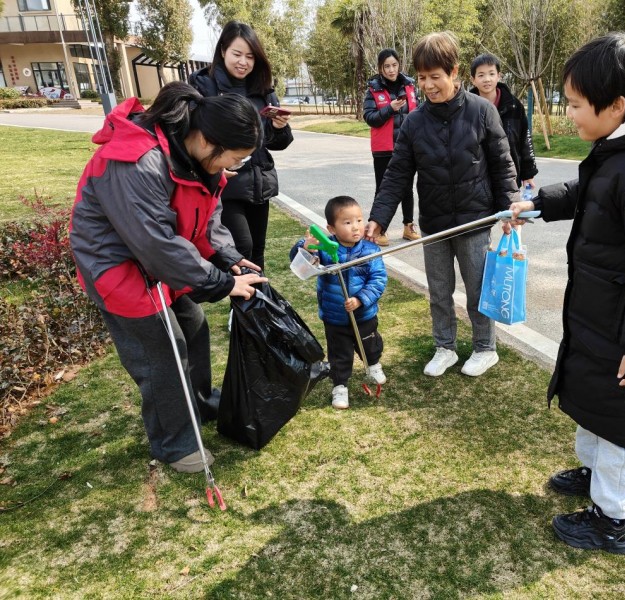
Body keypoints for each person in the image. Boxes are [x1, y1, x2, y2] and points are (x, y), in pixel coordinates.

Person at [510, 33, 625, 554]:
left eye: (573, 104)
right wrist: (540, 203)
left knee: (619, 426)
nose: (568, 114)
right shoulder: (620, 154)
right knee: (596, 404)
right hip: (602, 320)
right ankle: (594, 475)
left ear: (615, 106)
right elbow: (589, 194)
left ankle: (610, 520)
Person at [69, 81, 269, 473]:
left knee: (193, 326)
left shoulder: (195, 157)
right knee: (163, 351)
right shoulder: (137, 161)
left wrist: (227, 257)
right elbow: (156, 243)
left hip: (160, 259)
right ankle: (174, 442)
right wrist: (221, 283)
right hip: (116, 265)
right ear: (208, 139)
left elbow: (207, 217)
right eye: (232, 157)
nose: (231, 167)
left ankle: (195, 405)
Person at [366, 32, 518, 379]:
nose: (428, 85)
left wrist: (509, 208)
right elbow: (397, 174)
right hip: (434, 221)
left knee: (478, 289)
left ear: (454, 72)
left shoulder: (481, 112)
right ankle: (444, 347)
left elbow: (502, 164)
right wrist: (378, 218)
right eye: (421, 77)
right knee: (439, 291)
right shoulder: (415, 122)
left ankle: (485, 348)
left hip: (474, 221)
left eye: (435, 76)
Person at [189, 20, 293, 271]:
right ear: (223, 50)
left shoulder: (263, 89)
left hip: (259, 182)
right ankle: (243, 306)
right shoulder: (203, 86)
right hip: (226, 182)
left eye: (250, 56)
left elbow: (278, 143)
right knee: (240, 249)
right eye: (237, 54)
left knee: (257, 251)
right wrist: (209, 167)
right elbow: (190, 136)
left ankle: (255, 308)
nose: (243, 62)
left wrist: (278, 127)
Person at [290, 196, 388, 410]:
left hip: (364, 314)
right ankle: (340, 385)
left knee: (369, 344)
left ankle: (373, 364)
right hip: (335, 316)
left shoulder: (370, 250)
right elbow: (301, 265)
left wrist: (361, 299)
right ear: (331, 228)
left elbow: (378, 279)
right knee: (339, 353)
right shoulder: (325, 250)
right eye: (347, 222)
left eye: (359, 220)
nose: (356, 227)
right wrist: (307, 248)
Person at [363, 48, 421, 246]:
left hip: (406, 147)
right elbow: (370, 118)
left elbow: (420, 113)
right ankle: (381, 229)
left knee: (407, 188)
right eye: (386, 66)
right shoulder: (373, 89)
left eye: (394, 65)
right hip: (383, 148)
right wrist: (390, 109)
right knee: (383, 188)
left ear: (399, 65)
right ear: (380, 68)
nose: (391, 69)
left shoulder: (410, 86)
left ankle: (408, 225)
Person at [469, 53, 538, 189]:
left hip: (509, 176)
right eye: (481, 75)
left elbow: (524, 139)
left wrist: (528, 173)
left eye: (491, 74)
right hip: (476, 180)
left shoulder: (514, 106)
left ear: (499, 76)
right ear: (473, 80)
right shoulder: (467, 108)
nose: (487, 79)